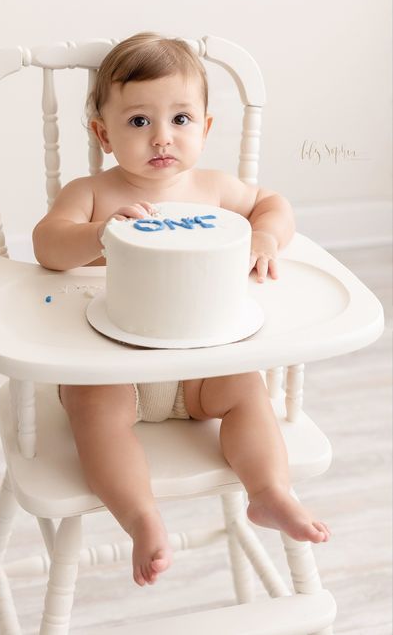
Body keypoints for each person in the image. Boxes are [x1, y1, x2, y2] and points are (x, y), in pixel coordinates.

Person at [33, 32, 330, 587]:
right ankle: (141, 517)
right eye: (139, 121)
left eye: (181, 119)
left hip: (198, 369)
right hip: (114, 368)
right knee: (92, 411)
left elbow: (274, 205)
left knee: (247, 389)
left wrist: (264, 238)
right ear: (103, 133)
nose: (162, 137)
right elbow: (47, 245)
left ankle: (268, 492)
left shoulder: (213, 189)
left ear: (206, 127)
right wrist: (99, 233)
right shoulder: (92, 194)